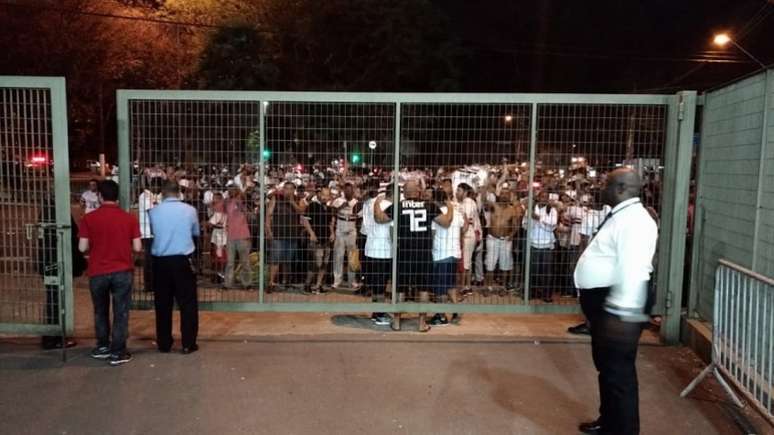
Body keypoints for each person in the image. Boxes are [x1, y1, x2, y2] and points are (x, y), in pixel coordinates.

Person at [574, 168, 658, 435]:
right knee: (608, 369)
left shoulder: (635, 221)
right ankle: (609, 421)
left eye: (606, 184)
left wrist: (622, 315)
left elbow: (634, 271)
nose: (601, 187)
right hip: (607, 303)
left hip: (618, 304)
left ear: (621, 188)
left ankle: (622, 430)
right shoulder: (621, 215)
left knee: (618, 374)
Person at [78, 180, 142, 366]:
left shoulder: (89, 219)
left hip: (97, 270)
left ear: (99, 196)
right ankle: (118, 351)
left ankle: (102, 346)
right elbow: (137, 247)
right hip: (122, 270)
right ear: (117, 197)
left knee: (100, 310)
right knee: (121, 311)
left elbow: (82, 247)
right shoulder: (129, 219)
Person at [375, 180, 453, 332]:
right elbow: (446, 222)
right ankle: (421, 323)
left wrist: (376, 203)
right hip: (423, 254)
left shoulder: (398, 206)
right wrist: (450, 206)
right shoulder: (429, 205)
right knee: (423, 289)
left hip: (403, 253)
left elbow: (379, 218)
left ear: (404, 193)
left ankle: (397, 322)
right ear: (417, 191)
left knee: (400, 289)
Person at [149, 181, 201, 354]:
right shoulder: (190, 210)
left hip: (161, 261)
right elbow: (196, 233)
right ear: (178, 193)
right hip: (182, 260)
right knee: (187, 303)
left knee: (163, 303)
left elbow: (153, 233)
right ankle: (188, 343)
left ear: (162, 194)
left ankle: (164, 343)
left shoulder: (154, 212)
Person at [429, 188, 464, 326]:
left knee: (440, 287)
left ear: (435, 200)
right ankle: (456, 310)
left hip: (441, 254)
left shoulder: (436, 213)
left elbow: (432, 235)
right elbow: (464, 227)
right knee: (450, 284)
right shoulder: (456, 212)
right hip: (454, 253)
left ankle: (441, 315)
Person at [483, 184, 522, 296]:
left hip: (505, 240)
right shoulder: (493, 206)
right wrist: (485, 188)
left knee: (505, 265)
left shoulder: (512, 210)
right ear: (499, 195)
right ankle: (489, 287)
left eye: (507, 194)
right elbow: (485, 202)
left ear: (510, 196)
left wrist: (512, 235)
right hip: (492, 239)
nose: (504, 196)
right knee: (490, 264)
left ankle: (503, 288)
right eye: (503, 193)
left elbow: (516, 225)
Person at [266, 182, 303, 291]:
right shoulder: (276, 199)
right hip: (278, 234)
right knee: (275, 260)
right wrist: (268, 229)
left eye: (291, 189)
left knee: (288, 260)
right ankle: (271, 283)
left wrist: (292, 202)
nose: (288, 191)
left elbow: (301, 211)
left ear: (294, 190)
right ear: (283, 189)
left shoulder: (296, 199)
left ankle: (287, 282)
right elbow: (268, 214)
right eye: (286, 188)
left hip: (292, 235)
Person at [367, 185, 394, 326]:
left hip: (371, 248)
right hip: (384, 250)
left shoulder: (371, 203)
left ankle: (376, 311)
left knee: (376, 284)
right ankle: (380, 314)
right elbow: (391, 230)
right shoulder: (392, 207)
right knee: (382, 284)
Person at [301, 187, 335, 294]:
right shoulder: (313, 205)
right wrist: (311, 233)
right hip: (316, 239)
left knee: (324, 264)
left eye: (327, 195)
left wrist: (332, 233)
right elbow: (304, 220)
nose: (325, 197)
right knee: (315, 264)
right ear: (319, 194)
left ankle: (318, 285)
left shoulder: (329, 208)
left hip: (326, 240)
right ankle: (307, 284)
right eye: (323, 194)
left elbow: (330, 223)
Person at [526, 191, 558, 303]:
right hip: (533, 243)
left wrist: (538, 219)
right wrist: (533, 221)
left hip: (547, 244)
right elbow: (525, 225)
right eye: (542, 197)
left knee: (546, 271)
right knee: (533, 270)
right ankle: (532, 292)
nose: (543, 199)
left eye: (546, 197)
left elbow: (553, 224)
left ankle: (546, 294)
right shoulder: (531, 209)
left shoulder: (552, 210)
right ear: (538, 198)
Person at [331, 183, 361, 289]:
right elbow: (332, 213)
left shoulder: (357, 202)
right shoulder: (338, 200)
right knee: (338, 256)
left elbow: (360, 217)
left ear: (353, 191)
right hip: (340, 230)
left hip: (352, 230)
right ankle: (337, 280)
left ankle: (352, 281)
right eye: (346, 190)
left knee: (353, 257)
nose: (348, 192)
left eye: (350, 190)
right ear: (343, 190)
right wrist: (341, 206)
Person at [223, 186, 252, 289]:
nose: (231, 192)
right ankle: (227, 284)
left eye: (233, 190)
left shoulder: (241, 202)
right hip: (231, 236)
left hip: (243, 236)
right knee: (230, 262)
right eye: (229, 190)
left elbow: (244, 201)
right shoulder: (227, 203)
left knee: (245, 262)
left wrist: (240, 194)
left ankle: (247, 283)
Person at [456, 183, 480, 296]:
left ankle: (465, 287)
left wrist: (461, 234)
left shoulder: (468, 202)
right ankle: (466, 286)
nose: (457, 192)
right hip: (466, 233)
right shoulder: (464, 202)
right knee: (466, 261)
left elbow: (468, 221)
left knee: (466, 262)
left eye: (459, 190)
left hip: (468, 233)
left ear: (465, 192)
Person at [138, 180, 160, 292]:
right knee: (149, 259)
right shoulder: (145, 195)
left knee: (154, 259)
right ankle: (149, 285)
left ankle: (154, 284)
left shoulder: (153, 196)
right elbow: (152, 212)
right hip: (148, 232)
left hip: (153, 233)